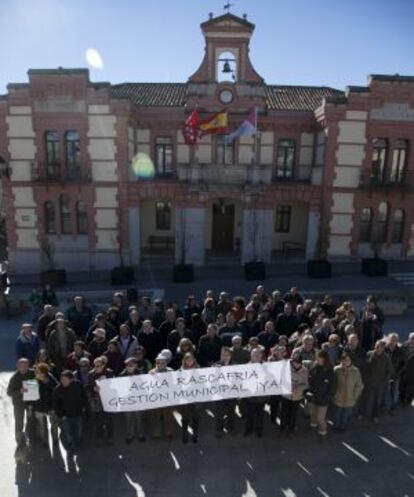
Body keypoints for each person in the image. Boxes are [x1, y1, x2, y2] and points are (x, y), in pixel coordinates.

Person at [53, 370, 87, 456]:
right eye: (62, 379)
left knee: (79, 431)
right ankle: (70, 448)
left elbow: (84, 396)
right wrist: (61, 415)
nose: (63, 381)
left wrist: (84, 407)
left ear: (71, 379)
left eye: (65, 379)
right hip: (66, 416)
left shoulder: (78, 385)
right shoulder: (58, 390)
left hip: (78, 413)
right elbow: (55, 404)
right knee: (67, 433)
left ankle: (78, 442)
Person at [306, 350, 335, 442]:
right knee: (312, 413)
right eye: (316, 357)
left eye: (318, 357)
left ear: (324, 358)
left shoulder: (330, 370)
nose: (316, 359)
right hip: (312, 396)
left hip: (323, 398)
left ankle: (322, 432)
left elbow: (333, 386)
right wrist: (307, 391)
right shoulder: (314, 367)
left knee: (320, 418)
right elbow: (309, 380)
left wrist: (327, 396)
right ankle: (313, 425)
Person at [364, 340, 393, 423]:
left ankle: (375, 415)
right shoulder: (369, 353)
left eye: (379, 346)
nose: (376, 348)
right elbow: (365, 366)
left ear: (383, 348)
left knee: (377, 400)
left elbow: (389, 371)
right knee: (367, 398)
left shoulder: (387, 357)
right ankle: (364, 413)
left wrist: (385, 381)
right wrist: (365, 378)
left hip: (380, 383)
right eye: (376, 346)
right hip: (369, 381)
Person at [333, 353, 363, 432]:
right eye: (344, 360)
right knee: (337, 414)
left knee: (346, 415)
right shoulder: (336, 369)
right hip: (338, 397)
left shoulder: (355, 370)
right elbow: (332, 383)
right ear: (341, 360)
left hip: (350, 398)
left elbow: (359, 384)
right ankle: (336, 426)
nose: (346, 362)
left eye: (348, 360)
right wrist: (334, 394)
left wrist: (355, 395)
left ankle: (343, 427)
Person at [87, 357, 115, 445]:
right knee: (98, 420)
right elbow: (88, 387)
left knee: (108, 420)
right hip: (96, 400)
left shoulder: (110, 373)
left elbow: (114, 386)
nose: (96, 367)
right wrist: (93, 389)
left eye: (98, 365)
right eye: (94, 366)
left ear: (103, 365)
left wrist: (107, 385)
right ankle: (99, 437)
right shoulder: (90, 374)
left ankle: (110, 437)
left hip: (107, 399)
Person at [7, 358, 35, 443]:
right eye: (21, 366)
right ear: (18, 367)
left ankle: (31, 437)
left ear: (28, 366)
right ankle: (19, 439)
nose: (23, 368)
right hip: (19, 403)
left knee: (31, 420)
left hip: (30, 401)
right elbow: (9, 392)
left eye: (25, 366)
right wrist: (20, 391)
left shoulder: (33, 373)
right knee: (19, 422)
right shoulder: (14, 378)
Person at [120, 357, 147, 444]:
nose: (128, 367)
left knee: (139, 418)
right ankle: (129, 435)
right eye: (127, 365)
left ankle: (141, 435)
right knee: (128, 419)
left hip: (138, 401)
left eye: (131, 365)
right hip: (127, 401)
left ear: (135, 365)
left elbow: (146, 387)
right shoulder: (121, 375)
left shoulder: (141, 374)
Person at [280, 354, 308, 437]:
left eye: (299, 363)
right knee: (284, 412)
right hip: (286, 395)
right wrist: (288, 385)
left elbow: (306, 384)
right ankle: (282, 427)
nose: (297, 364)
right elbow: (281, 379)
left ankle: (291, 429)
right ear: (292, 361)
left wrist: (298, 388)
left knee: (294, 414)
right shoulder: (286, 368)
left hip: (297, 396)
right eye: (295, 362)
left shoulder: (305, 370)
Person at [31, 362, 59, 447]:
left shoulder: (50, 378)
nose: (36, 373)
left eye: (38, 371)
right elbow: (30, 396)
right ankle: (44, 441)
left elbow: (58, 389)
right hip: (39, 407)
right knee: (42, 426)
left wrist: (47, 382)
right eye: (36, 371)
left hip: (51, 406)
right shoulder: (34, 381)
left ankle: (55, 440)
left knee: (54, 425)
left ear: (44, 372)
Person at [149, 354, 174, 440]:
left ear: (166, 363)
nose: (161, 364)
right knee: (155, 416)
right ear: (156, 363)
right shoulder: (151, 372)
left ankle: (169, 433)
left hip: (167, 398)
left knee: (168, 416)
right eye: (159, 362)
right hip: (156, 398)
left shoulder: (171, 371)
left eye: (163, 363)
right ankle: (156, 434)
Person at [214, 347, 236, 438]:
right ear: (220, 355)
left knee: (231, 412)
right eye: (223, 355)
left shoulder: (236, 366)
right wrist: (215, 371)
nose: (225, 357)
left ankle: (230, 428)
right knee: (219, 413)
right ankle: (219, 429)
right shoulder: (216, 365)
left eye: (227, 355)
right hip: (220, 395)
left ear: (230, 356)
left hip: (231, 395)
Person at [244, 348, 266, 437]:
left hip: (261, 397)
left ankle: (259, 430)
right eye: (254, 355)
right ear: (251, 356)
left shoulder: (267, 366)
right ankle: (249, 429)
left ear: (261, 356)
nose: (256, 357)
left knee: (260, 414)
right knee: (249, 414)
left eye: (258, 355)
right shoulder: (245, 367)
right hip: (250, 397)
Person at [179, 352, 201, 443]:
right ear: (184, 360)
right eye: (187, 359)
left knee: (195, 416)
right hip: (185, 398)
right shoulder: (180, 370)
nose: (189, 361)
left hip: (196, 398)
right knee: (185, 417)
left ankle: (195, 433)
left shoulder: (199, 369)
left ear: (194, 360)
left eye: (190, 359)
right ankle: (184, 433)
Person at [385, 333, 406, 414]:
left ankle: (393, 407)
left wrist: (398, 373)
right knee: (384, 391)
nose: (392, 341)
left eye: (394, 340)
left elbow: (404, 364)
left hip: (395, 375)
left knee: (394, 392)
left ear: (397, 341)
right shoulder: (385, 349)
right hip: (385, 375)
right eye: (391, 340)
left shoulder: (400, 351)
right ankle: (382, 405)